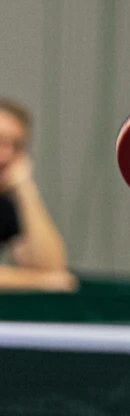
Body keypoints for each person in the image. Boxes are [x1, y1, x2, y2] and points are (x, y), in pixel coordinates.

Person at [0, 99, 75, 292]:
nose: (6, 155)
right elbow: (51, 279)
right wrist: (38, 281)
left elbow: (51, 267)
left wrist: (25, 187)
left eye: (16, 145)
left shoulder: (5, 206)